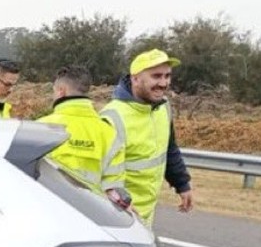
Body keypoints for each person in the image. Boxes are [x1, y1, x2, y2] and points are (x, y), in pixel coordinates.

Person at [101, 49, 195, 227]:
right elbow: (101, 173)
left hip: (146, 214)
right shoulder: (113, 116)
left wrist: (182, 184)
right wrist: (120, 205)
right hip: (118, 215)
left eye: (167, 76)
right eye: (156, 76)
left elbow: (169, 149)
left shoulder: (163, 107)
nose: (163, 83)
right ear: (135, 79)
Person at [36, 65, 129, 208]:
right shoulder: (109, 134)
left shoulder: (40, 128)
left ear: (61, 91)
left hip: (47, 211)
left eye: (54, 91)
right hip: (89, 217)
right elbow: (114, 190)